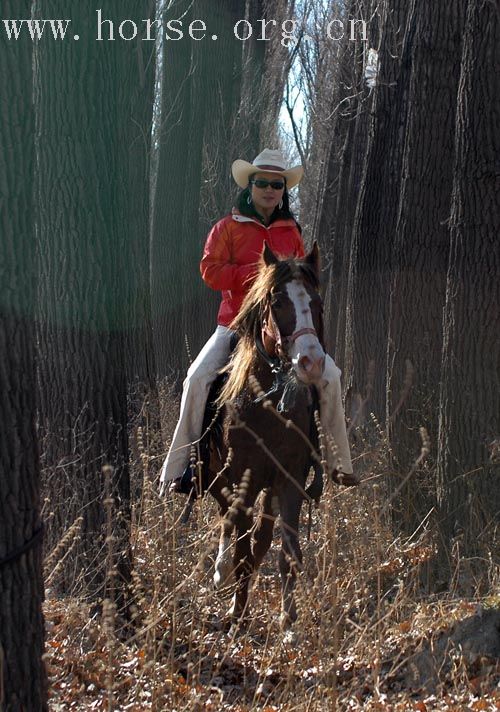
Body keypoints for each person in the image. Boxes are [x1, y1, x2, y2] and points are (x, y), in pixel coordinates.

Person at [159, 149, 357, 494]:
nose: (269, 189)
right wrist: (255, 277)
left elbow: (298, 278)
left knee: (331, 376)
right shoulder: (227, 227)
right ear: (250, 186)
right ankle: (179, 469)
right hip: (234, 325)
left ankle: (338, 464)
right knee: (198, 378)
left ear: (283, 191)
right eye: (262, 183)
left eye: (276, 185)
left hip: (281, 329)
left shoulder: (290, 231)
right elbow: (210, 270)